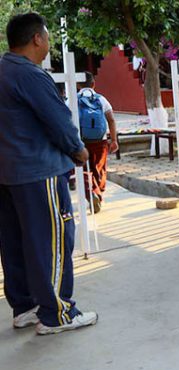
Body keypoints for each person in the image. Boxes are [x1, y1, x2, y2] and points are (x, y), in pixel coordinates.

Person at [0, 13, 98, 335]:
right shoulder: (30, 74)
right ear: (36, 39)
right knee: (51, 241)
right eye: (47, 37)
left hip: (8, 173)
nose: (49, 44)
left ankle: (25, 306)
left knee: (16, 241)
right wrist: (78, 149)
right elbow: (57, 120)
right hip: (38, 171)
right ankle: (57, 313)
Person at [78, 71, 118, 213]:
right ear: (93, 84)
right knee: (99, 169)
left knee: (84, 170)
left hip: (81, 142)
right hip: (100, 142)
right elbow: (111, 120)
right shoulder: (101, 99)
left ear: (78, 85)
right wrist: (113, 140)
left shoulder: (73, 99)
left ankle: (92, 193)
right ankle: (98, 194)